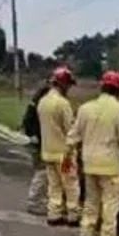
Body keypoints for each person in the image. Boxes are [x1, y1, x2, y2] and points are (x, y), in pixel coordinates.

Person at [64, 70, 119, 236]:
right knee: (110, 203)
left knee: (91, 200)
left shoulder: (85, 108)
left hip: (89, 164)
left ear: (102, 87)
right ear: (118, 89)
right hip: (110, 166)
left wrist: (67, 156)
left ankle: (86, 233)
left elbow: (73, 135)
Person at [37, 67, 81, 226]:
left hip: (48, 151)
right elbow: (71, 129)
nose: (69, 88)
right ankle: (73, 215)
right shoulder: (62, 104)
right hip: (64, 154)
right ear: (63, 84)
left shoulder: (43, 102)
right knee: (71, 186)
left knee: (54, 186)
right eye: (68, 84)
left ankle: (54, 213)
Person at [20, 78, 52, 215]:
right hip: (39, 142)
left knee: (43, 172)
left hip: (37, 141)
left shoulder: (36, 102)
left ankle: (39, 200)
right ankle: (34, 202)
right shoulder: (41, 103)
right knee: (42, 172)